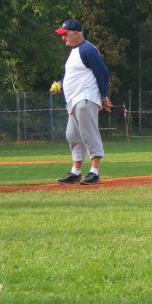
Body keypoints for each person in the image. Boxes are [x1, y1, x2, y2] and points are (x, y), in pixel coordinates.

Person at [53, 18, 111, 185]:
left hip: (86, 98)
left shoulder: (88, 49)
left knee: (88, 133)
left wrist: (104, 96)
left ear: (76, 33)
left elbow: (102, 73)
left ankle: (94, 171)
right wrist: (60, 84)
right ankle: (76, 171)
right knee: (72, 135)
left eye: (65, 34)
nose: (63, 38)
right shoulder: (75, 51)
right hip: (74, 100)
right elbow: (73, 76)